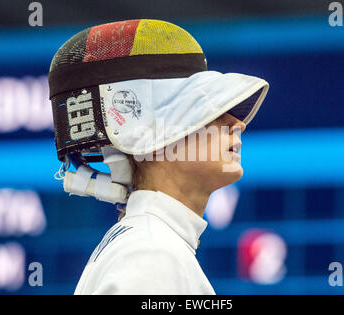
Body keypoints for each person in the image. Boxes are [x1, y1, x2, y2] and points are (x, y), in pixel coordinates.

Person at [47, 19, 269, 294]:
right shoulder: (151, 254)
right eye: (205, 112)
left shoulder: (151, 246)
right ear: (148, 139)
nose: (237, 123)